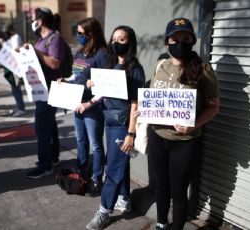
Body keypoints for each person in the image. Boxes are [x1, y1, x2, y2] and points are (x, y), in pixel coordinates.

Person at [148, 18, 220, 230]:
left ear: (192, 41)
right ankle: (161, 224)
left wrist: (195, 124)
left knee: (178, 191)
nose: (180, 43)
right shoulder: (160, 64)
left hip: (185, 141)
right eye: (175, 39)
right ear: (167, 42)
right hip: (157, 136)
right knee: (161, 186)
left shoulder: (203, 69)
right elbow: (154, 97)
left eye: (185, 39)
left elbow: (214, 106)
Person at [85, 25, 145, 229]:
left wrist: (131, 133)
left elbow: (136, 102)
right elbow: (104, 91)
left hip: (122, 125)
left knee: (113, 168)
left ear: (130, 42)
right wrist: (90, 99)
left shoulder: (134, 68)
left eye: (121, 39)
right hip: (109, 121)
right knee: (121, 164)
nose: (116, 42)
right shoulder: (110, 65)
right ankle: (125, 199)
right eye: (114, 39)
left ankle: (104, 211)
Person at [60, 17, 108, 197]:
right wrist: (66, 79)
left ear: (91, 34)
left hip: (92, 107)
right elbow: (76, 75)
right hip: (76, 103)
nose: (78, 36)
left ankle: (97, 177)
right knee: (81, 141)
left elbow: (106, 84)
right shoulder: (80, 52)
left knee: (95, 145)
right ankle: (81, 173)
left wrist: (92, 96)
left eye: (81, 33)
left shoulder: (102, 54)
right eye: (77, 32)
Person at [25, 7, 65, 179]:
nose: (32, 22)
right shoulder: (40, 39)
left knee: (42, 127)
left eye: (34, 19)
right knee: (50, 125)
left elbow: (55, 63)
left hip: (50, 89)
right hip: (41, 89)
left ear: (40, 21)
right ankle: (53, 157)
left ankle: (45, 165)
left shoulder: (54, 39)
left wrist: (36, 53)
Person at [0, 24, 26, 117]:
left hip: (15, 66)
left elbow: (13, 51)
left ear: (11, 30)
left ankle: (21, 108)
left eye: (7, 32)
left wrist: (3, 43)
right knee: (14, 88)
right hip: (12, 66)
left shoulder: (16, 37)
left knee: (16, 88)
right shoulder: (12, 38)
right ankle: (19, 106)